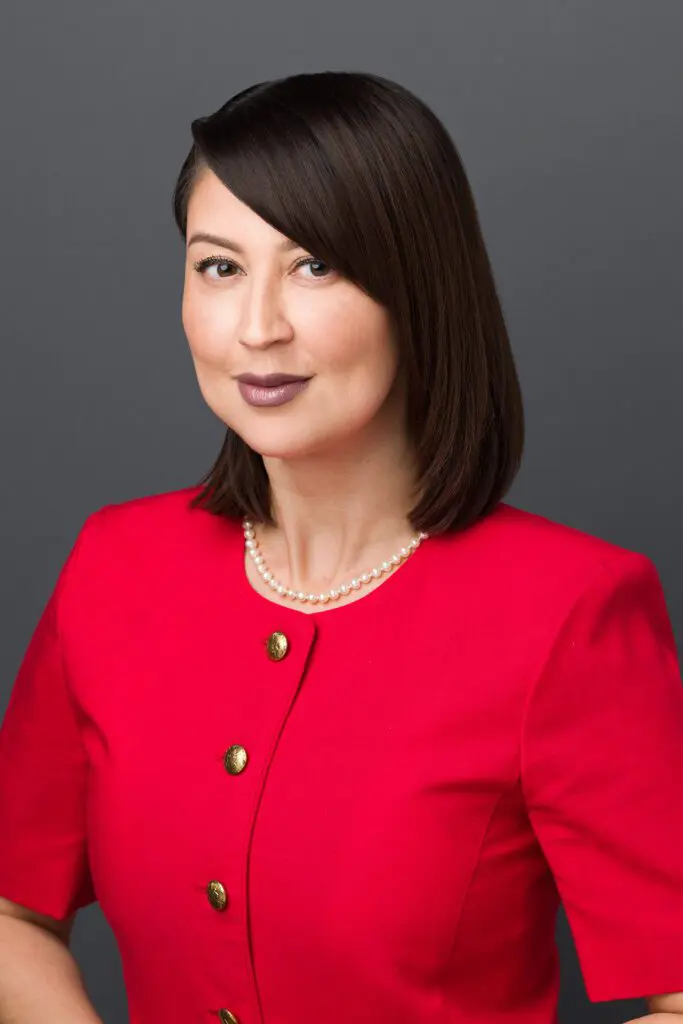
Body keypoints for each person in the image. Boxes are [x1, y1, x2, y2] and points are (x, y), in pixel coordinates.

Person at [0, 70, 682, 1024]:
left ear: (419, 288)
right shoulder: (116, 566)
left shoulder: (567, 608)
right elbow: (11, 912)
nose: (257, 327)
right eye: (219, 266)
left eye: (315, 264)